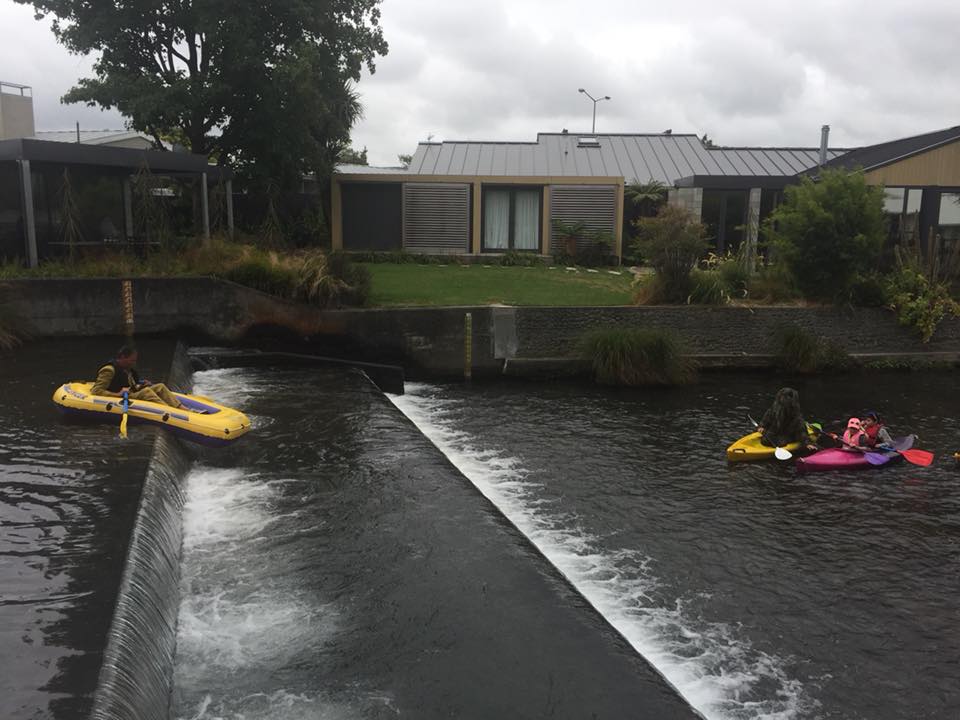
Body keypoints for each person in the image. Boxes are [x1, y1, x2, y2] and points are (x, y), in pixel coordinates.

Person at [91, 345, 184, 409]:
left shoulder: (127, 369)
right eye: (132, 360)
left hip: (131, 392)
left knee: (160, 386)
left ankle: (183, 408)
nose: (134, 363)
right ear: (123, 357)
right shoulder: (109, 370)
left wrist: (142, 385)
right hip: (122, 396)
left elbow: (132, 385)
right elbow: (96, 390)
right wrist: (118, 394)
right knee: (146, 392)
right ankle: (169, 410)